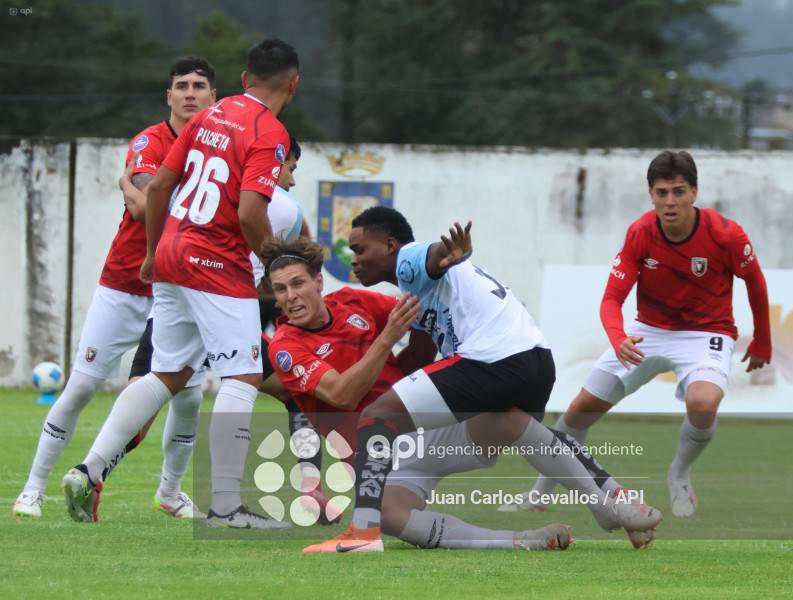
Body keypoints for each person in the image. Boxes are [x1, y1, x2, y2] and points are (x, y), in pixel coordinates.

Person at [298, 206, 663, 553]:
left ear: (390, 246)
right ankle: (601, 505)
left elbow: (434, 255)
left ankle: (361, 534)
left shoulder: (410, 261)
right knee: (499, 427)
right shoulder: (419, 294)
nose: (353, 259)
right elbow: (419, 360)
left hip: (495, 359)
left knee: (377, 417)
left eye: (360, 249)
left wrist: (451, 249)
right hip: (535, 365)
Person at [60, 39, 300, 529]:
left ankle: (89, 469)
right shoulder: (270, 131)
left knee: (166, 374)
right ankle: (227, 509)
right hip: (215, 263)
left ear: (241, 78)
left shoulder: (209, 116)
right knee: (244, 377)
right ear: (293, 85)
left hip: (171, 252)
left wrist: (153, 252)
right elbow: (252, 212)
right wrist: (276, 269)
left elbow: (162, 187)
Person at [262, 236, 572, 551]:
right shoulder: (285, 346)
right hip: (381, 461)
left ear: (318, 282)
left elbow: (420, 316)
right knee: (388, 517)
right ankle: (521, 541)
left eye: (297, 284)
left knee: (508, 416)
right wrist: (387, 339)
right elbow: (342, 396)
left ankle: (610, 500)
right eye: (280, 289)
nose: (290, 296)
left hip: (422, 429)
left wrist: (416, 362)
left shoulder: (352, 302)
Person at [13, 56, 216, 519]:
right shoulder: (151, 139)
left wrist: (134, 189)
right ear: (169, 96)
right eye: (180, 85)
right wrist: (137, 190)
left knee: (187, 396)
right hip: (126, 285)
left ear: (213, 97)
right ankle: (33, 489)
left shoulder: (219, 149)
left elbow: (148, 198)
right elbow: (146, 209)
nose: (189, 92)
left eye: (199, 85)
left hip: (183, 289)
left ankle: (169, 491)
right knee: (82, 387)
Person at [519, 150, 772, 518]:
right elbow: (611, 299)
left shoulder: (725, 234)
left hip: (706, 333)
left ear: (694, 193)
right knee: (579, 410)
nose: (671, 201)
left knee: (703, 403)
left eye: (679, 191)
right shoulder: (640, 233)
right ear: (651, 194)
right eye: (662, 192)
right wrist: (618, 337)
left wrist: (763, 338)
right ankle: (540, 495)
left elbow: (755, 282)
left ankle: (679, 472)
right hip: (647, 331)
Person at [89, 138, 308, 522]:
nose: (290, 180)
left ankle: (95, 472)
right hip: (224, 310)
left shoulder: (193, 186)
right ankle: (293, 492)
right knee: (269, 386)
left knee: (158, 392)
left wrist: (126, 185)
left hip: (176, 297)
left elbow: (148, 198)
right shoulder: (285, 207)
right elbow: (299, 264)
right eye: (289, 168)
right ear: (274, 161)